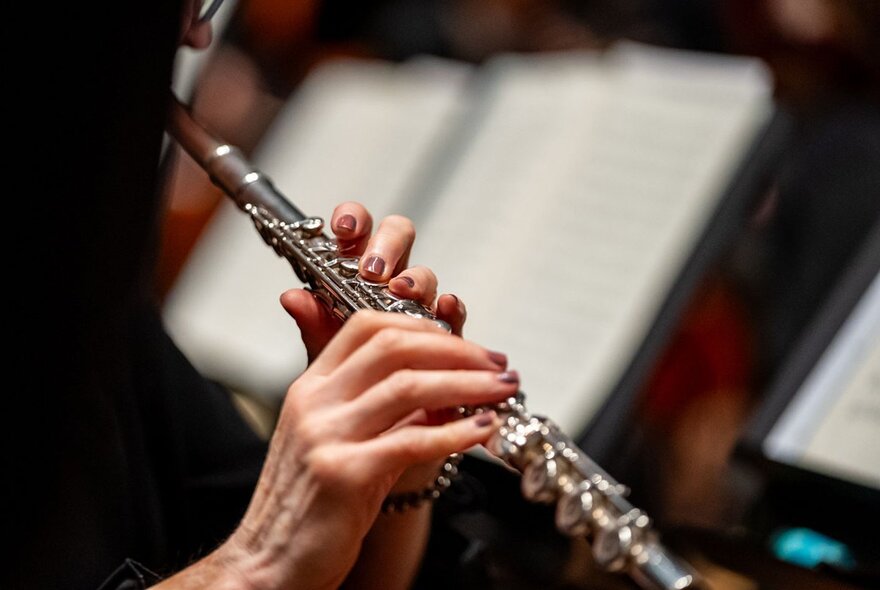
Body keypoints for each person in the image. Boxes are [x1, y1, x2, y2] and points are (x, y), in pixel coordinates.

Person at [7, 1, 519, 589]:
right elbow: (272, 557)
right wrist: (256, 563)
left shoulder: (99, 310)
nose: (198, 35)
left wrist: (393, 476)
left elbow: (325, 568)